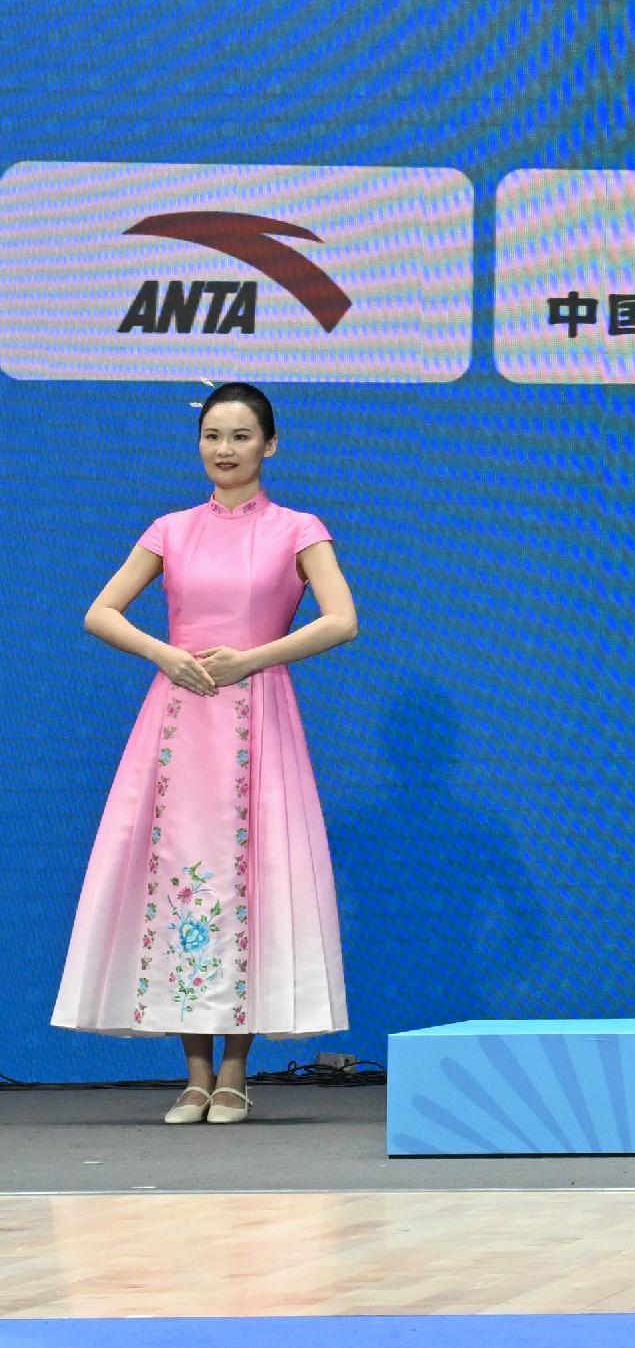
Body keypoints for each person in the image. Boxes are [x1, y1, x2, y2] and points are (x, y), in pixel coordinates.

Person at [57, 384, 359, 1121]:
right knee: (181, 880)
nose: (224, 450)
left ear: (270, 444)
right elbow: (100, 611)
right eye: (212, 436)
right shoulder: (172, 529)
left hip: (259, 721)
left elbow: (342, 620)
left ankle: (236, 1071)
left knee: (249, 883)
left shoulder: (296, 528)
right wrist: (166, 654)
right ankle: (194, 1074)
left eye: (241, 436)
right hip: (178, 724)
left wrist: (251, 658)